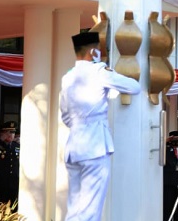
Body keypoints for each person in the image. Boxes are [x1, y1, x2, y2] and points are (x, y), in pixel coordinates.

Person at [60, 31, 141, 221]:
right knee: (90, 210)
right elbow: (134, 87)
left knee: (74, 209)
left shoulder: (68, 77)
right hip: (95, 146)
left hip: (73, 147)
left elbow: (65, 115)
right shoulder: (99, 72)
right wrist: (110, 74)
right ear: (92, 52)